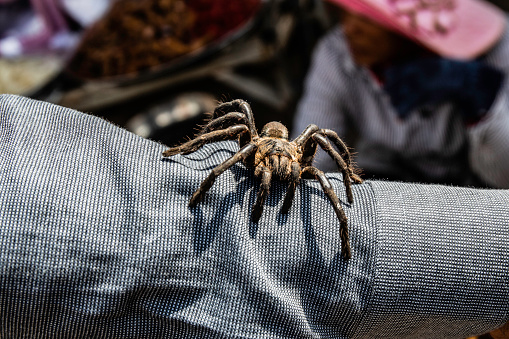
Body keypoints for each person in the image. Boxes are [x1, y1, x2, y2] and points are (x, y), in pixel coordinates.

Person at [1, 94, 509, 338]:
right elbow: (230, 162)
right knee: (234, 125)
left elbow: (323, 148)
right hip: (261, 141)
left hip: (290, 148)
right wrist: (198, 167)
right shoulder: (251, 148)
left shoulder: (303, 154)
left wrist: (346, 181)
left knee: (322, 192)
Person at [292, 0, 509, 188]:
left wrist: (482, 106)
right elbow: (313, 154)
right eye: (345, 13)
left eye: (368, 17)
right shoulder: (336, 54)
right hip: (381, 178)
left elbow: (504, 180)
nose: (350, 29)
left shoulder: (495, 50)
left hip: (470, 189)